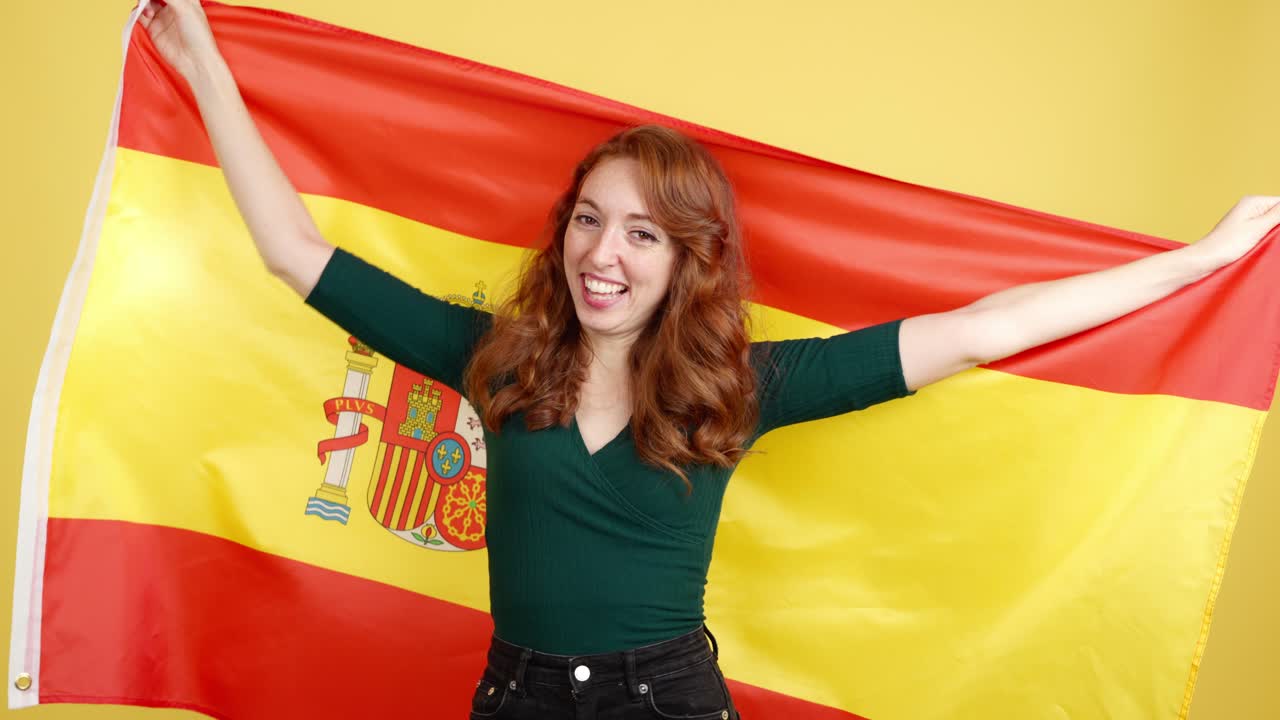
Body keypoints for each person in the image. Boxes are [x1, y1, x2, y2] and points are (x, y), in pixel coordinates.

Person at [141, 1, 1280, 718]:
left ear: (686, 262)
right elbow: (295, 253)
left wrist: (1201, 260)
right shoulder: (496, 362)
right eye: (588, 220)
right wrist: (196, 51)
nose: (603, 254)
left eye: (641, 234)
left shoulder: (740, 390)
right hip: (516, 699)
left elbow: (981, 328)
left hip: (666, 701)